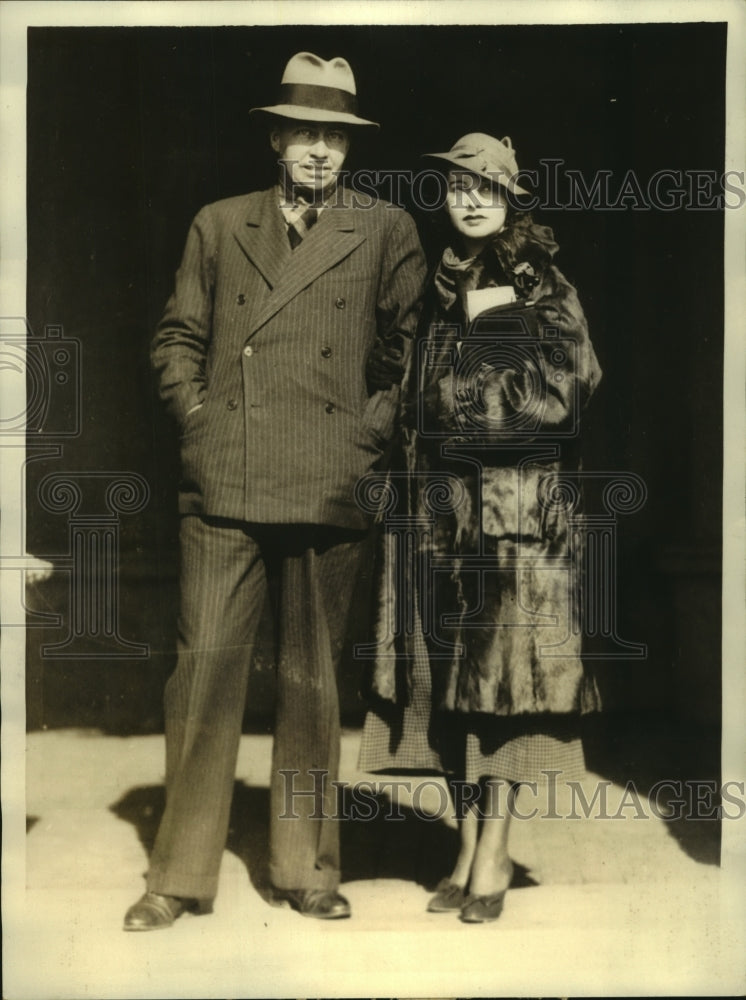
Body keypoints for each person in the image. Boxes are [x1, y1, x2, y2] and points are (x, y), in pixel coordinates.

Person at [124, 52, 425, 929]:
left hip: (331, 479)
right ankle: (176, 878)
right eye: (307, 134)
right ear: (277, 138)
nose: (322, 152)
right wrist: (201, 421)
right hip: (226, 480)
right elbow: (176, 336)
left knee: (312, 682)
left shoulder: (385, 228)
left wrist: (362, 441)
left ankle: (307, 868)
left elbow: (406, 357)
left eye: (336, 136)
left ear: (349, 147)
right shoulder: (219, 225)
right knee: (203, 673)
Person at [359, 133, 602, 922]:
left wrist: (454, 406)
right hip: (437, 509)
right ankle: (465, 844)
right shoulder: (441, 284)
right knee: (444, 684)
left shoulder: (540, 282)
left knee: (500, 684)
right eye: (458, 186)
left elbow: (565, 391)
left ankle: (494, 852)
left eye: (485, 187)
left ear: (511, 198)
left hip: (512, 512)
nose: (468, 199)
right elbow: (403, 392)